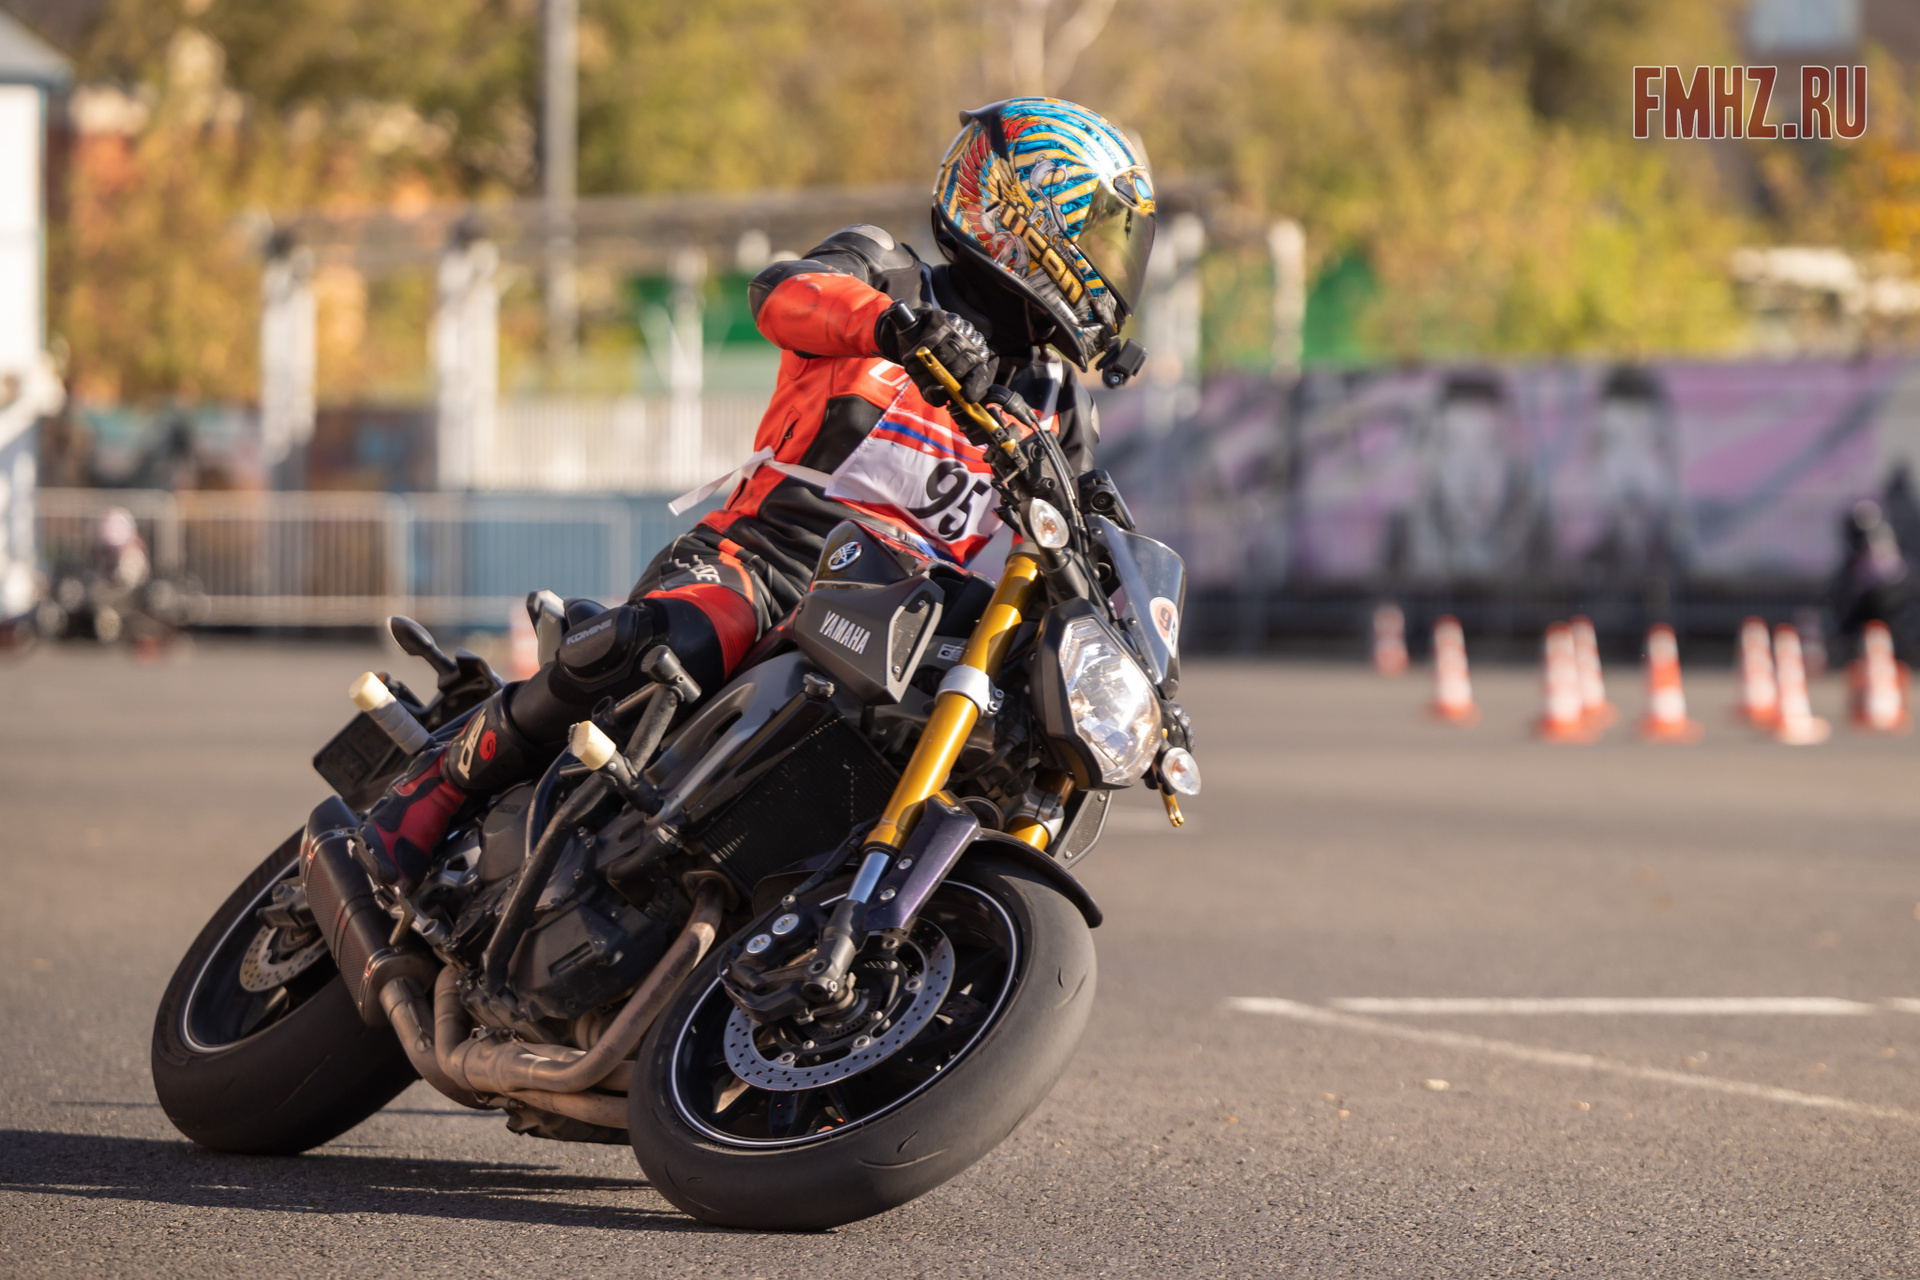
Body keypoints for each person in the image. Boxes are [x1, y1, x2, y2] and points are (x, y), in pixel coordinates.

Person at [356, 98, 1160, 891]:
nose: (1113, 268)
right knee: (679, 639)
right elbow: (780, 293)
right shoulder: (890, 272)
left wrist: (1147, 680)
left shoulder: (1059, 403)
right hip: (767, 566)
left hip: (906, 629)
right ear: (1022, 216)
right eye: (1098, 237)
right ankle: (441, 782)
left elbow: (1080, 538)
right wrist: (895, 327)